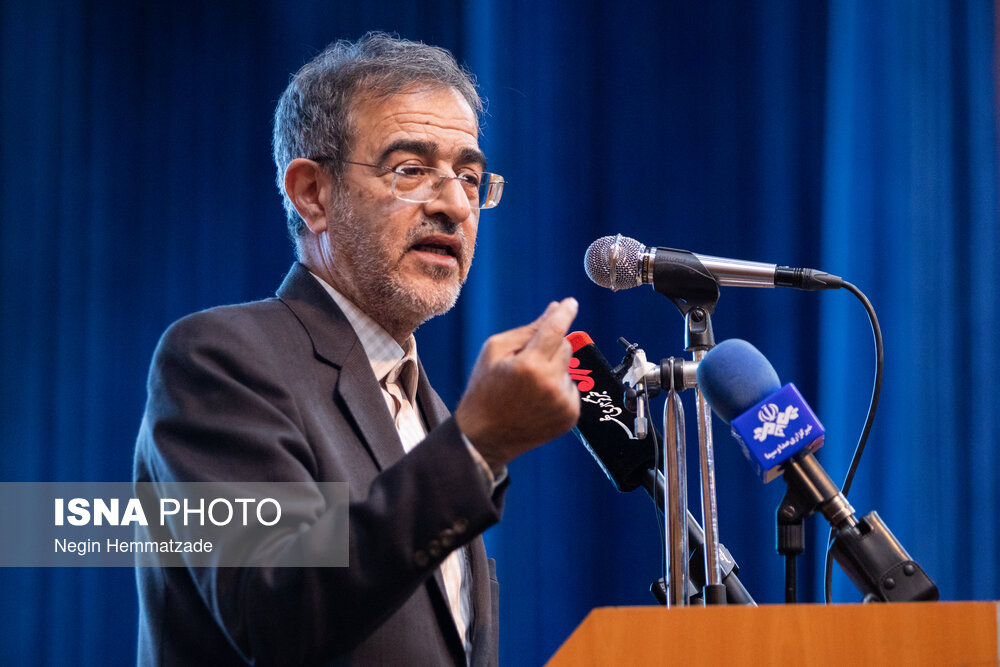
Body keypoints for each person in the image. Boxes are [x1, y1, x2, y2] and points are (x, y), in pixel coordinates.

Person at [133, 33, 580, 666]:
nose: (456, 205)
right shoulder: (219, 360)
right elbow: (275, 613)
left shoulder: (433, 414)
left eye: (470, 177)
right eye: (411, 170)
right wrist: (476, 447)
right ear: (312, 193)